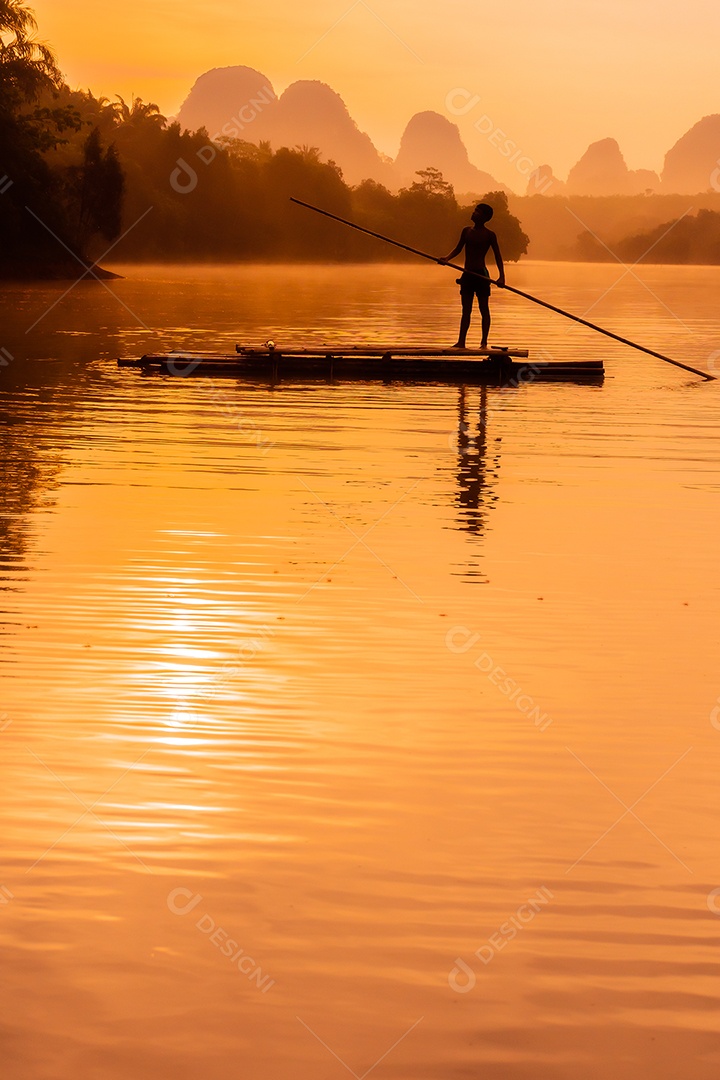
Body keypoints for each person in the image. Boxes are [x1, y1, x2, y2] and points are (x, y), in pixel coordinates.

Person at [439, 203, 505, 349]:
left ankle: (483, 342)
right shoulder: (466, 231)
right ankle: (461, 342)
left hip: (481, 275)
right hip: (467, 275)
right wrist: (447, 259)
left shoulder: (489, 235)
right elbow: (458, 248)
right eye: (475, 210)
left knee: (484, 309)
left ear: (485, 217)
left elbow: (498, 256)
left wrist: (502, 277)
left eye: (478, 212)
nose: (474, 213)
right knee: (466, 310)